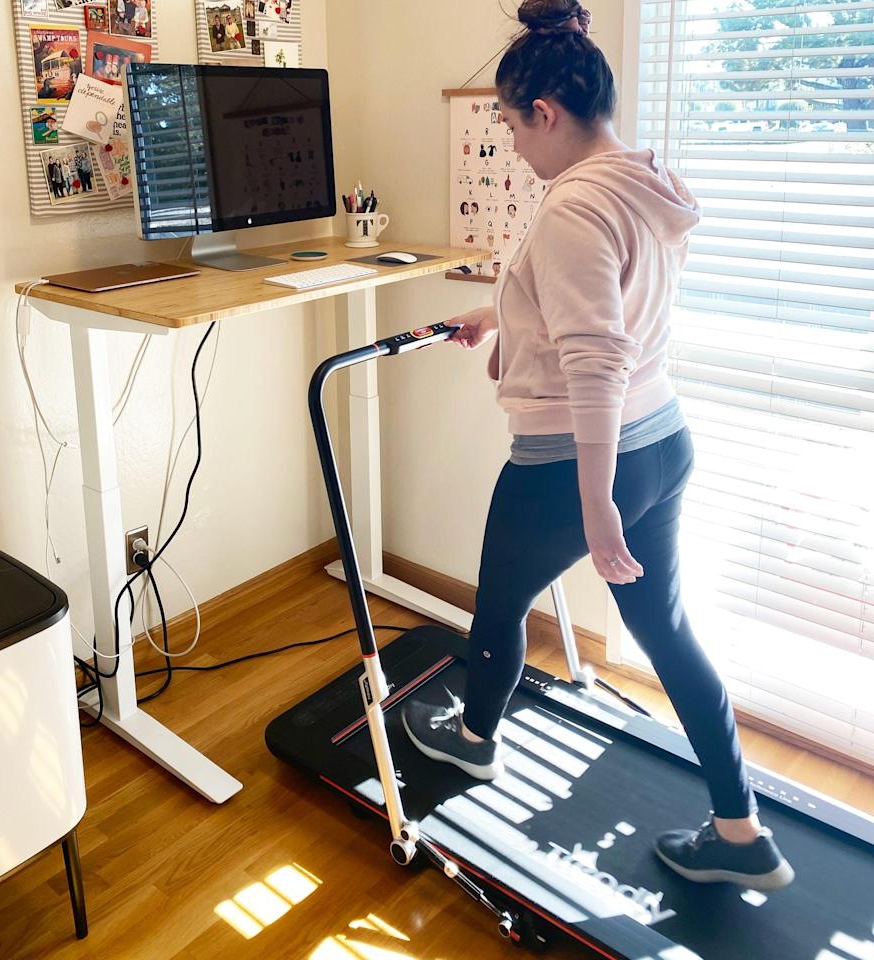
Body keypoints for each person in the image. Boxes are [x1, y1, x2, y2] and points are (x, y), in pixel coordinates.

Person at [401, 0, 794, 894]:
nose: (509, 144)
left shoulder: (573, 205)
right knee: (666, 628)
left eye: (509, 123)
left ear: (545, 112)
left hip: (575, 455)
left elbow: (594, 355)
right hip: (666, 437)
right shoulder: (641, 178)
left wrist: (593, 500)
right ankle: (740, 831)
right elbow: (596, 307)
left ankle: (472, 745)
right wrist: (493, 314)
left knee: (498, 609)